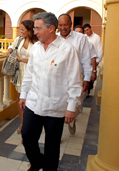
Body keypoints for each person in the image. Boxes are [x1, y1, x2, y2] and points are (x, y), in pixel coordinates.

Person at [20, 12, 82, 171]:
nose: (35, 32)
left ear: (51, 28)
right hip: (33, 103)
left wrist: (71, 107)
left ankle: (47, 168)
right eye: (35, 28)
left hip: (55, 107)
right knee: (27, 137)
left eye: (39, 28)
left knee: (52, 146)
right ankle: (37, 162)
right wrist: (23, 95)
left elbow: (75, 81)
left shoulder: (68, 50)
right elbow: (29, 74)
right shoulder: (36, 49)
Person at [6, 20, 38, 134]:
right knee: (21, 100)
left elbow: (39, 60)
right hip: (20, 74)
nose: (21, 31)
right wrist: (9, 50)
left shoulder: (37, 43)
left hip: (32, 74)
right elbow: (12, 46)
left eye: (23, 29)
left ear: (30, 31)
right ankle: (23, 124)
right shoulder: (19, 40)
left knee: (32, 100)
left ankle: (31, 125)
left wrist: (21, 59)